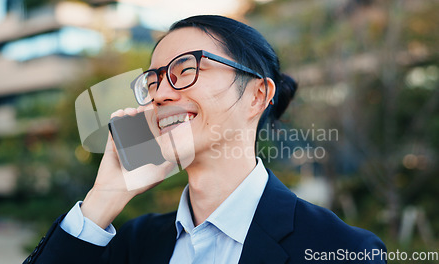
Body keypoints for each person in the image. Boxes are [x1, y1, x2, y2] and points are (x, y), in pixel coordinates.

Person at [23, 15, 386, 264]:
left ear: (257, 96)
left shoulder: (342, 250)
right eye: (153, 81)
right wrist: (105, 197)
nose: (161, 92)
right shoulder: (133, 244)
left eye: (185, 70)